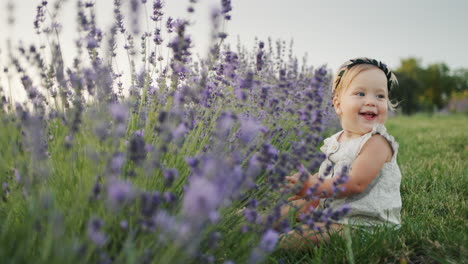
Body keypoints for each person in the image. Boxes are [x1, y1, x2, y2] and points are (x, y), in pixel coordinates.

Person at [278, 58, 402, 249]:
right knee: (295, 207)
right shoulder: (337, 140)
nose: (371, 101)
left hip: (365, 224)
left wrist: (314, 186)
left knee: (306, 236)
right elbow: (328, 173)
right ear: (338, 105)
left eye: (380, 96)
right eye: (360, 93)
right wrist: (306, 183)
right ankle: (259, 221)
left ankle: (276, 244)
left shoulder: (377, 142)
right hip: (335, 210)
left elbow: (355, 183)